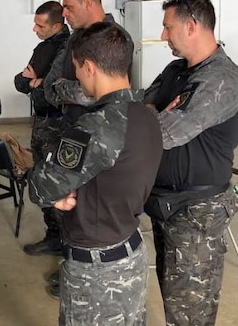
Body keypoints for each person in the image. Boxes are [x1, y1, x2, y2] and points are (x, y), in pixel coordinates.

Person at [29, 21, 163, 326]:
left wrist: (48, 176)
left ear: (88, 67)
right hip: (130, 250)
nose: (75, 75)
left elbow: (41, 188)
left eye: (76, 67)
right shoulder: (146, 114)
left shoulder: (96, 126)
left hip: (97, 270)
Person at [143, 0, 238, 326]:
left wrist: (154, 117)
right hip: (165, 204)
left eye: (168, 28)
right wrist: (154, 114)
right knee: (172, 294)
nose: (164, 35)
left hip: (197, 212)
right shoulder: (175, 70)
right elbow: (140, 108)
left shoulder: (220, 81)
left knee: (190, 312)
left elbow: (166, 133)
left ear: (192, 26)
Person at [41, 0, 134, 297]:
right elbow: (50, 87)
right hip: (74, 131)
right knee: (68, 205)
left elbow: (102, 92)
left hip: (104, 138)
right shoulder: (72, 40)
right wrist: (70, 91)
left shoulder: (116, 37)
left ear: (88, 3)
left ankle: (83, 272)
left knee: (93, 208)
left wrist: (68, 91)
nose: (63, 13)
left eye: (68, 6)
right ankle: (70, 265)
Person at [14, 1, 69, 256]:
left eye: (40, 25)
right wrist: (34, 82)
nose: (35, 29)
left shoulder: (67, 49)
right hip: (42, 121)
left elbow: (54, 90)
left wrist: (38, 82)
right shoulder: (43, 48)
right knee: (39, 176)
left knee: (57, 183)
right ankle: (53, 236)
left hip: (59, 125)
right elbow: (21, 81)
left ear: (57, 26)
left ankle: (66, 241)